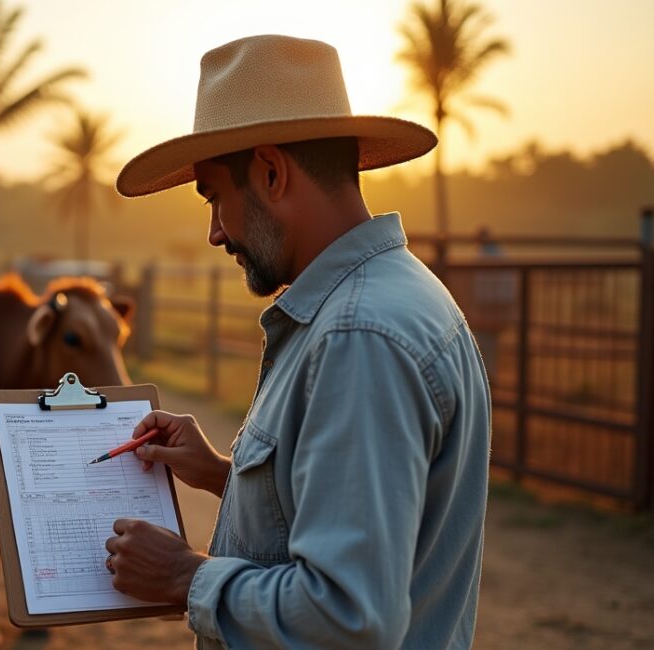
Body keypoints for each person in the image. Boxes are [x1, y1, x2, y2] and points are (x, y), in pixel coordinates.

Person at [103, 35, 492, 649]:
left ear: (271, 172)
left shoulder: (358, 337)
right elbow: (352, 512)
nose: (214, 232)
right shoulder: (395, 296)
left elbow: (349, 615)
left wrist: (185, 576)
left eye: (215, 199)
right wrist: (222, 476)